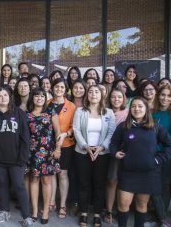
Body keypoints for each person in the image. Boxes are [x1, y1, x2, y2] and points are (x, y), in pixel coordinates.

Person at [110, 97, 171, 227]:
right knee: (123, 204)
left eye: (140, 106)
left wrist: (158, 159)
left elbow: (170, 146)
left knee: (142, 205)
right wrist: (115, 152)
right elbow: (113, 143)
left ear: (146, 109)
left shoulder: (156, 127)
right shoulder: (124, 126)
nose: (136, 109)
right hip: (128, 172)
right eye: (133, 106)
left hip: (148, 173)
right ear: (130, 109)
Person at [0, 86, 34, 226]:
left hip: (16, 160)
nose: (2, 98)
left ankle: (26, 216)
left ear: (10, 97)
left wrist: (23, 158)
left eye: (5, 95)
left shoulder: (19, 113)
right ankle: (4, 210)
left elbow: (25, 138)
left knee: (19, 186)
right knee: (2, 185)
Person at [73, 85, 116, 227]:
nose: (93, 94)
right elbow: (76, 130)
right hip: (83, 152)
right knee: (84, 183)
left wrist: (102, 147)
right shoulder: (80, 111)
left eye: (96, 91)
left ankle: (97, 213)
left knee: (99, 184)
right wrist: (85, 146)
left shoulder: (108, 112)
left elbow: (111, 132)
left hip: (102, 153)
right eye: (90, 92)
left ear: (102, 95)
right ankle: (84, 212)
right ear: (87, 95)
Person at [27, 87, 61, 224]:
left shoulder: (51, 112)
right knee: (34, 180)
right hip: (32, 152)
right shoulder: (27, 115)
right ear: (33, 98)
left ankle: (46, 210)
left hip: (47, 151)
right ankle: (34, 210)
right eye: (36, 96)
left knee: (46, 181)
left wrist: (58, 149)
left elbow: (58, 132)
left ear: (45, 98)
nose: (39, 98)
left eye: (42, 96)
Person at [48, 78, 76, 219]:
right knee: (51, 173)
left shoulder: (71, 106)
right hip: (48, 145)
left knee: (62, 174)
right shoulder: (47, 104)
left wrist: (66, 133)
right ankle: (51, 201)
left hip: (65, 145)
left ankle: (63, 204)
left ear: (65, 89)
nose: (59, 89)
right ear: (52, 88)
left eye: (62, 87)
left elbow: (74, 126)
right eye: (56, 87)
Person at [152, 85, 171, 226]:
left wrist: (157, 148)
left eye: (169, 96)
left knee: (164, 186)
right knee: (154, 186)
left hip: (167, 155)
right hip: (152, 155)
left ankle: (161, 217)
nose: (165, 98)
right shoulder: (152, 112)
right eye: (163, 94)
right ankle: (160, 216)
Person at [105, 88, 129, 224]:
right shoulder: (105, 112)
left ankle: (121, 210)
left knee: (119, 181)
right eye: (113, 97)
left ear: (123, 99)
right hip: (105, 150)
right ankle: (108, 210)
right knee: (110, 181)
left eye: (119, 97)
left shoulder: (127, 113)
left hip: (121, 151)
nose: (116, 99)